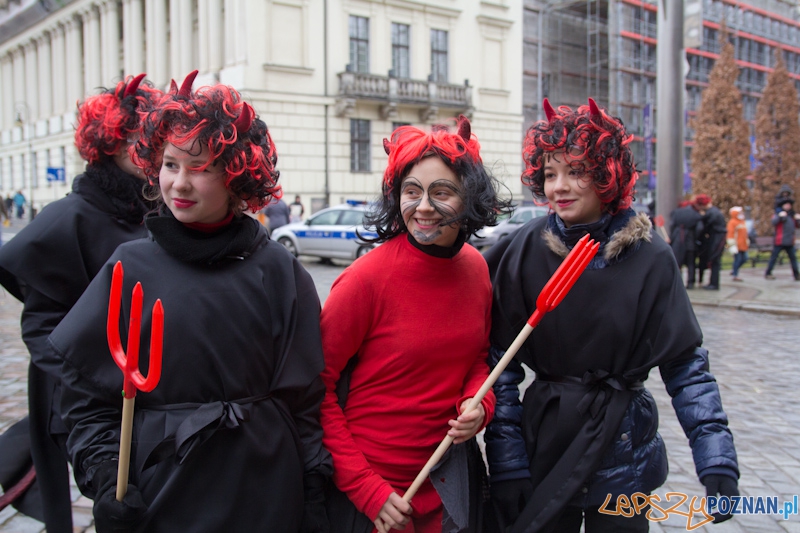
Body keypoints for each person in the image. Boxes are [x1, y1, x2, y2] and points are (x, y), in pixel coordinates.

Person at [47, 72, 331, 533]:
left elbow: (306, 398)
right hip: (163, 487)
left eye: (199, 168)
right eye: (170, 164)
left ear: (237, 176)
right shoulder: (128, 267)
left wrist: (315, 486)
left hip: (265, 488)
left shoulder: (277, 269)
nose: (178, 183)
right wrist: (104, 479)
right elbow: (87, 402)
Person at [483, 99, 739, 533]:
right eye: (549, 174)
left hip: (624, 448)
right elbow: (499, 367)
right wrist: (508, 465)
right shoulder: (527, 247)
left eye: (576, 171)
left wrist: (716, 458)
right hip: (547, 439)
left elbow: (686, 366)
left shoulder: (651, 256)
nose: (558, 187)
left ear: (607, 174)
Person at [320, 116, 511, 533]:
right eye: (412, 191)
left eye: (441, 192)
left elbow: (478, 359)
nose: (423, 207)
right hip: (373, 494)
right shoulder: (364, 280)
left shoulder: (477, 269)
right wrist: (363, 487)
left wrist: (479, 406)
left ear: (469, 199)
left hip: (447, 486)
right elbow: (316, 390)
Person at [0, 74, 161, 533]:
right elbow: (42, 329)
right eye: (136, 138)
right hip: (83, 393)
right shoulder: (67, 218)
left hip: (148, 390)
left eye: (152, 137)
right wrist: (101, 379)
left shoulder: (159, 205)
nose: (146, 149)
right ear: (108, 142)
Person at [668, 197, 702, 288]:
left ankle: (678, 282)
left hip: (678, 241)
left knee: (677, 262)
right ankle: (690, 282)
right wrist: (695, 237)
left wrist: (672, 237)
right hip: (690, 241)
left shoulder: (676, 213)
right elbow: (699, 228)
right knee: (691, 263)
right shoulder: (695, 214)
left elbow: (672, 225)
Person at [694, 194, 726, 290]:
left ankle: (714, 284)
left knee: (714, 261)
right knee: (715, 261)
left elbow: (704, 227)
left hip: (717, 237)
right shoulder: (714, 212)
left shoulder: (711, 213)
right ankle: (713, 283)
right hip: (718, 237)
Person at [764, 198, 800, 281]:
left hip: (790, 241)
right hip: (779, 241)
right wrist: (780, 216)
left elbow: (797, 226)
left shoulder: (792, 216)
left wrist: (798, 219)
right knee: (774, 258)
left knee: (793, 259)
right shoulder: (779, 214)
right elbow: (773, 222)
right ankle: (768, 273)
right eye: (786, 205)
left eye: (789, 205)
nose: (788, 206)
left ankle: (796, 275)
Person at [726, 206, 749, 281]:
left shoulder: (742, 221)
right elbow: (730, 234)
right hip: (736, 245)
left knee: (745, 258)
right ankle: (735, 275)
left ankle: (734, 270)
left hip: (743, 244)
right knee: (738, 259)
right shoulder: (732, 222)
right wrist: (732, 244)